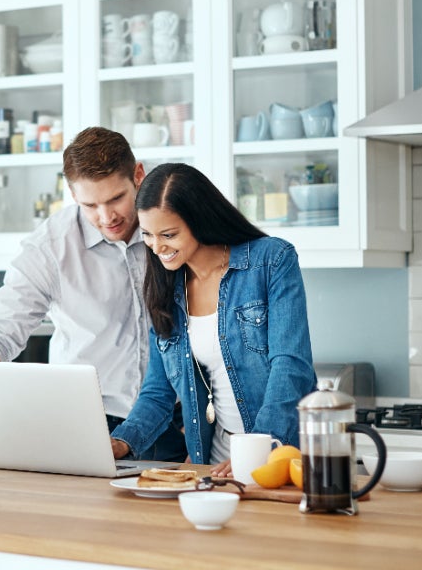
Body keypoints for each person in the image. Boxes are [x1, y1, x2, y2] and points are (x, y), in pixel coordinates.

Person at [0, 127, 186, 462]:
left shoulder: (172, 230)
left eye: (115, 199)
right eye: (90, 205)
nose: (106, 217)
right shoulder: (51, 247)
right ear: (71, 193)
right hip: (91, 426)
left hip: (179, 421)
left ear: (138, 175)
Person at [109, 163, 316, 476]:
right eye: (148, 235)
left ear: (199, 220)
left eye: (169, 234)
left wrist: (258, 451)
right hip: (213, 465)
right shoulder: (165, 290)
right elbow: (158, 391)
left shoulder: (270, 261)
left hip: (278, 458)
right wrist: (121, 442)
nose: (157, 247)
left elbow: (290, 366)